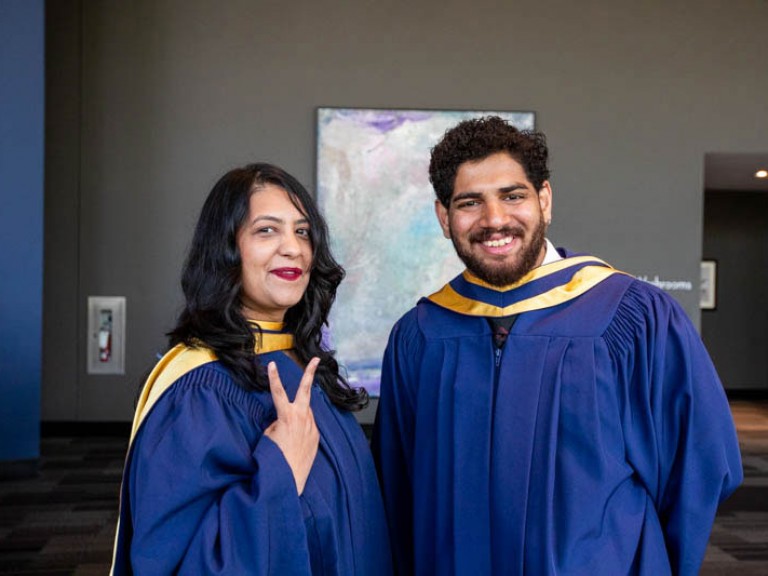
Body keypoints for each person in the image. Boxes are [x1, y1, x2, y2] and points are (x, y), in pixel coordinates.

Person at [372, 116, 742, 575]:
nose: (495, 220)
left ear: (544, 200)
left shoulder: (634, 316)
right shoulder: (421, 335)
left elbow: (700, 466)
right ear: (444, 218)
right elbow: (399, 489)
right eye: (470, 203)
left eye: (513, 196)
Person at [111, 163, 393, 575]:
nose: (293, 247)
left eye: (302, 231)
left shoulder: (303, 365)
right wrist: (279, 470)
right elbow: (178, 563)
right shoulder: (201, 391)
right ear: (226, 249)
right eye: (266, 230)